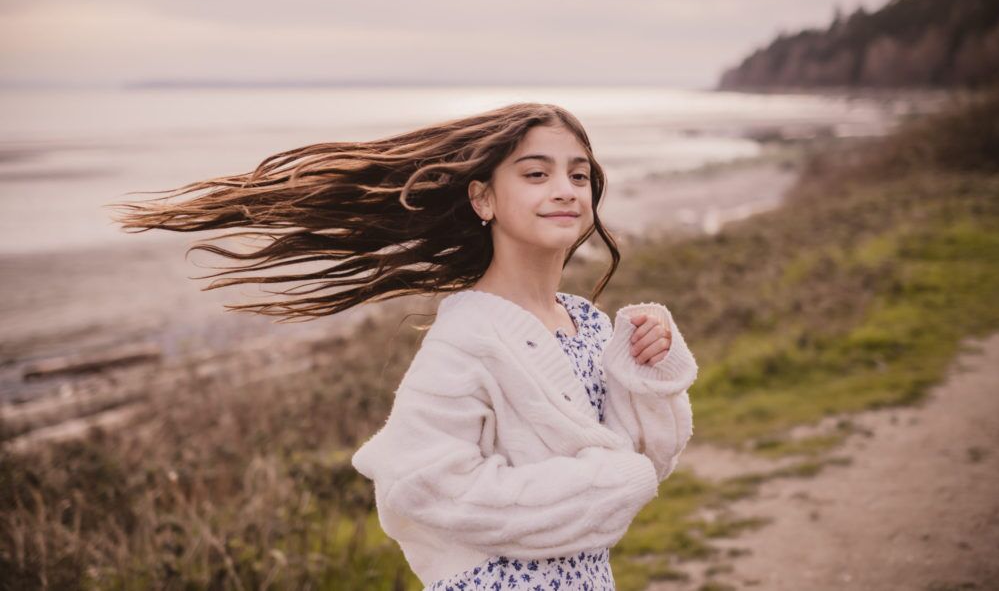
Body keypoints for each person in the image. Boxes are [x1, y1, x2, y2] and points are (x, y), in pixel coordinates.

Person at [107, 102, 698, 589]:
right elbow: (422, 485)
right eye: (536, 174)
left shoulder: (588, 324)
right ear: (483, 199)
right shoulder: (466, 337)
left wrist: (649, 370)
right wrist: (602, 489)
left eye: (579, 175)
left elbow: (648, 461)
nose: (565, 190)